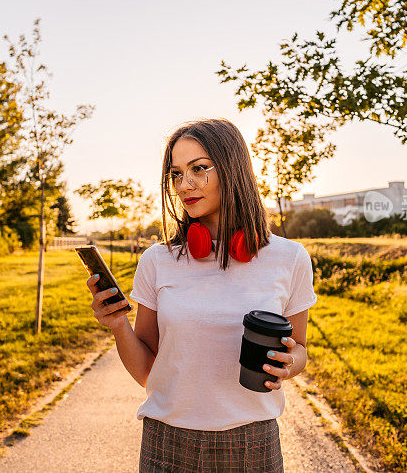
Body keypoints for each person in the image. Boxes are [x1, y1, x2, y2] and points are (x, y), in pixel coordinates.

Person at [85, 118, 317, 472]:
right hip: (167, 444)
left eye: (199, 169)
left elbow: (299, 349)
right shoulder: (158, 260)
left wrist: (288, 365)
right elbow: (148, 371)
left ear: (233, 169)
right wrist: (118, 324)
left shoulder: (289, 258)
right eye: (176, 174)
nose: (185, 184)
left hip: (252, 444)